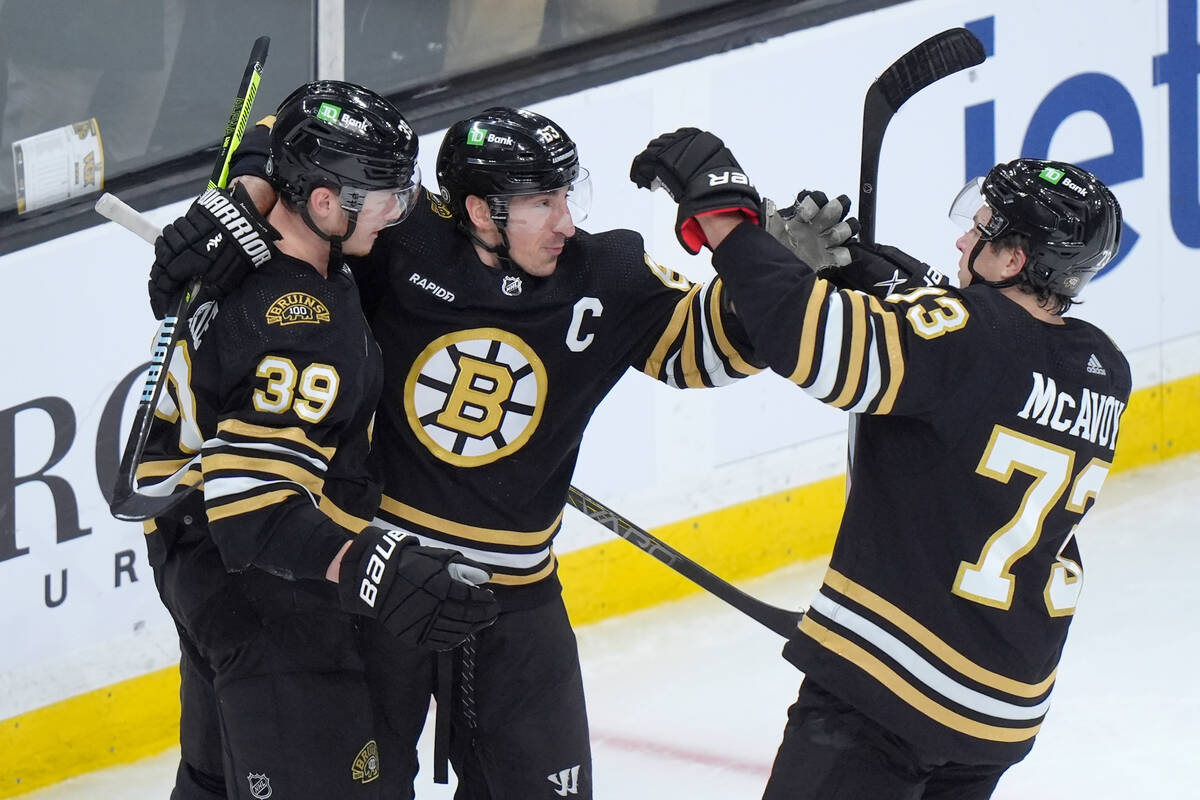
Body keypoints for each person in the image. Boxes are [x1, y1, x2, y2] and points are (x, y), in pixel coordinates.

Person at [148, 106, 855, 799]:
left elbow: (700, 350)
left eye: (567, 195)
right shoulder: (395, 238)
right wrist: (240, 199)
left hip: (514, 600)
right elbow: (306, 128)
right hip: (379, 584)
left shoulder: (607, 272)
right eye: (543, 202)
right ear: (483, 211)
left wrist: (774, 283)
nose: (566, 222)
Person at [630, 129, 1130, 799]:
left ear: (1013, 258)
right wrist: (887, 278)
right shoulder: (1103, 367)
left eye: (980, 232)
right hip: (1004, 707)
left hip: (895, 692)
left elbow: (816, 346)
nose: (960, 243)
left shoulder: (966, 336)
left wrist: (730, 223)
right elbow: (981, 354)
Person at [130, 80, 499, 800]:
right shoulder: (300, 325)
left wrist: (251, 183)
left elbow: (299, 111)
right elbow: (253, 511)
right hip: (268, 596)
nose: (397, 213)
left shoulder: (241, 248)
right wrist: (378, 566)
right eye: (384, 196)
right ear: (325, 203)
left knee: (210, 785)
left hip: (192, 565)